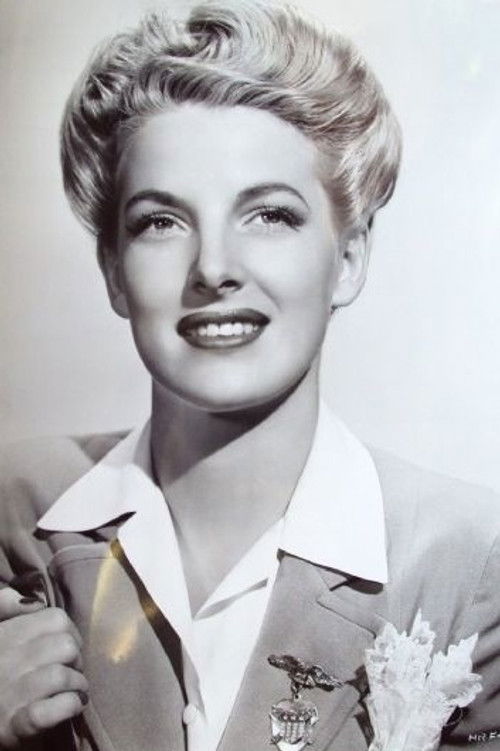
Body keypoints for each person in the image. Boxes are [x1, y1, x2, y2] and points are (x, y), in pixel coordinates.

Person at [0, 2, 498, 750]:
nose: (213, 268)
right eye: (160, 222)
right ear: (112, 270)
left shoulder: (472, 563)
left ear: (349, 258)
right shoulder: (13, 516)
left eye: (269, 215)